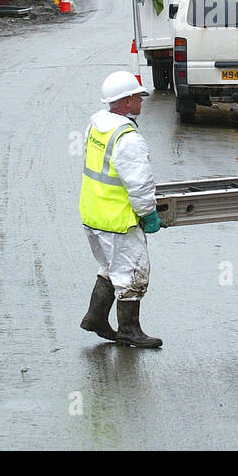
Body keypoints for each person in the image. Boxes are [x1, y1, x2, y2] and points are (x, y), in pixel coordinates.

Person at [78, 71, 163, 348]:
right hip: (118, 220)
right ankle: (129, 330)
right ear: (126, 102)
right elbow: (139, 184)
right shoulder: (128, 138)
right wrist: (148, 213)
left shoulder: (97, 127)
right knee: (132, 273)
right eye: (138, 96)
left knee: (109, 267)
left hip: (94, 215)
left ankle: (96, 317)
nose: (141, 100)